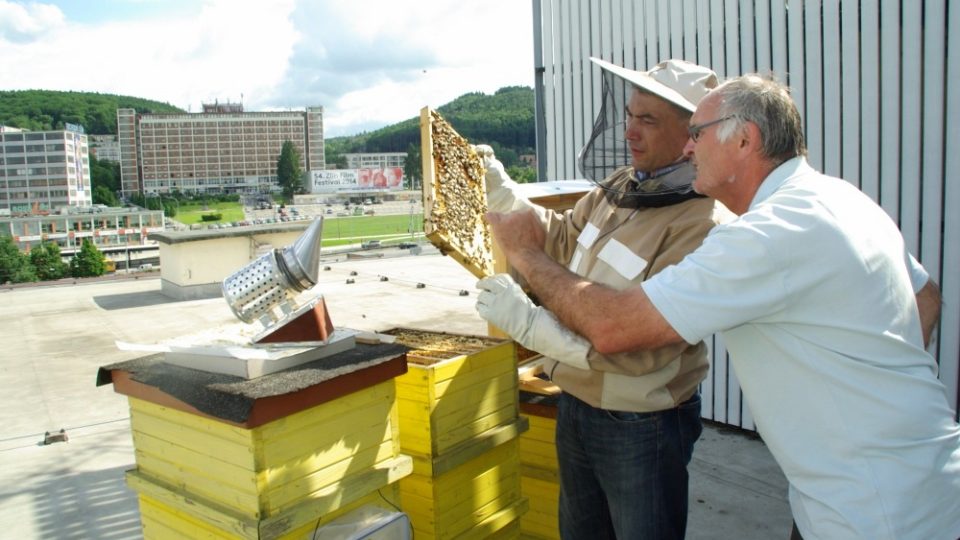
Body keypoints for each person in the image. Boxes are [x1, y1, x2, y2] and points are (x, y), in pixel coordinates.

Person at [477, 74, 960, 540]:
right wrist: (875, 386)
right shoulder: (838, 196)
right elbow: (926, 296)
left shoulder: (765, 235)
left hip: (877, 509)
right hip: (883, 481)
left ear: (745, 140)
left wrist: (525, 254)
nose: (689, 148)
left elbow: (615, 328)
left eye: (696, 134)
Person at [475, 58, 733, 539]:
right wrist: (507, 195)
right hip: (575, 404)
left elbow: (640, 345)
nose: (630, 132)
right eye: (631, 115)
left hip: (643, 425)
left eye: (649, 120)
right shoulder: (620, 187)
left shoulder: (703, 227)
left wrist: (536, 329)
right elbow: (562, 237)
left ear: (691, 135)